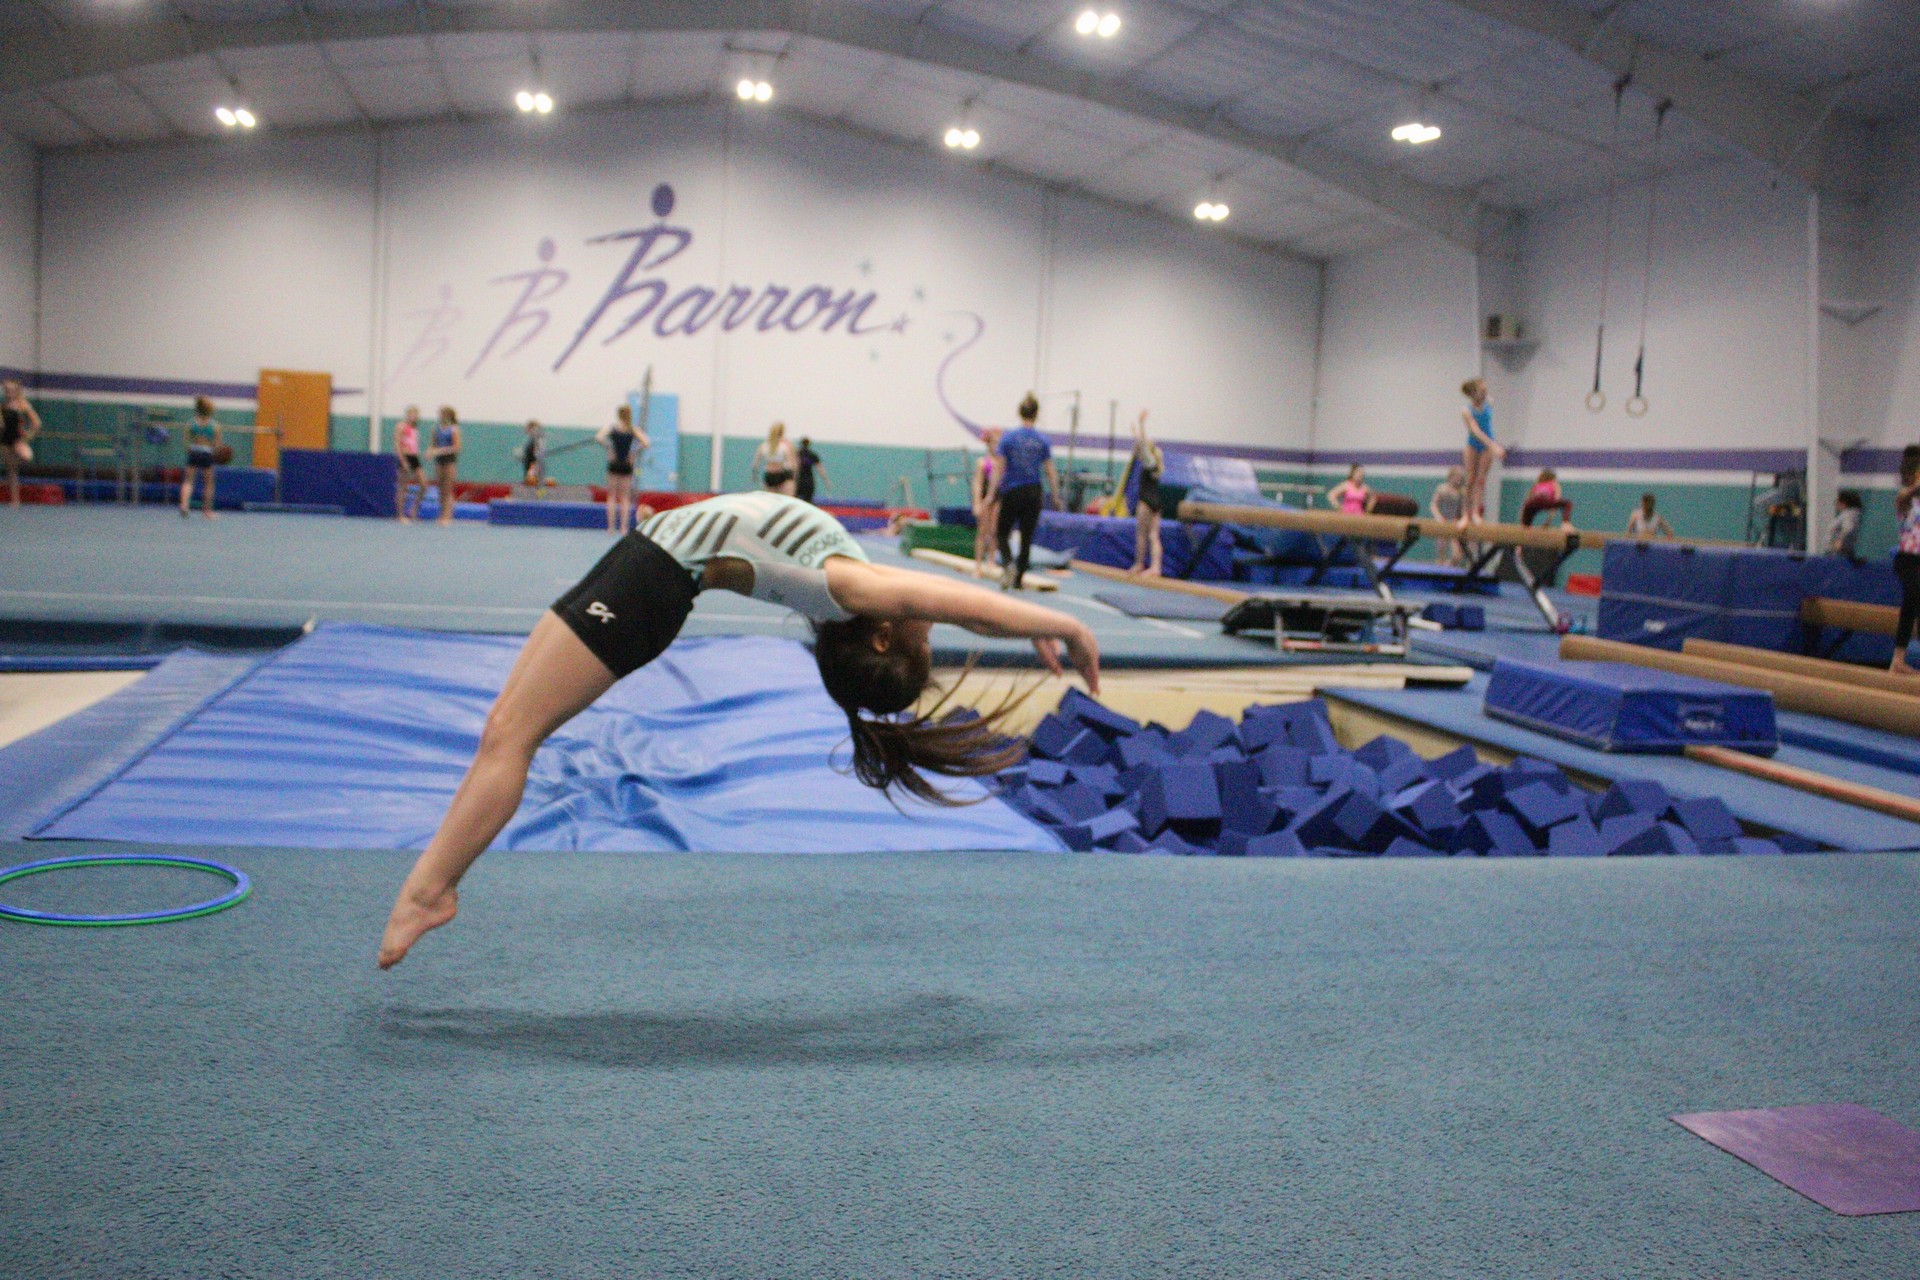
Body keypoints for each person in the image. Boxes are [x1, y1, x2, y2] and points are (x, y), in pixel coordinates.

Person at [375, 489, 1102, 969]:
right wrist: (1053, 624)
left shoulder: (854, 591)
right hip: (644, 568)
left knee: (512, 737)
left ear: (881, 636)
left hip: (651, 582)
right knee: (505, 727)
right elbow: (963, 606)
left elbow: (966, 604)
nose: (929, 623)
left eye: (923, 638)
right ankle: (431, 887)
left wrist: (1063, 622)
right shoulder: (849, 584)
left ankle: (429, 891)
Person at [989, 393, 1061, 591]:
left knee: (1002, 533)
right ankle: (1019, 579)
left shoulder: (1009, 438)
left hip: (1013, 490)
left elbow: (999, 468)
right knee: (1026, 537)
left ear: (1019, 413)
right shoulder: (1042, 440)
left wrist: (991, 494)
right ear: (1036, 414)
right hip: (1033, 491)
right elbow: (1050, 471)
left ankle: (1008, 563)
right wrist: (1055, 494)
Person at [1458, 378, 1504, 528]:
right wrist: (1494, 446)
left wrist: (1492, 446)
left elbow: (1488, 425)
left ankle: (1476, 513)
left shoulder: (1489, 403)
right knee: (1470, 479)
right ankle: (1465, 515)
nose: (1485, 393)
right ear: (1473, 393)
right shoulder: (1466, 411)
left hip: (1487, 447)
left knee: (1481, 480)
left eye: (1485, 390)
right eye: (1482, 391)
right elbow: (1475, 431)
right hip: (1473, 444)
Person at [596, 405, 647, 534]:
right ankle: (623, 528)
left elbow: (599, 437)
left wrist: (609, 448)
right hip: (626, 464)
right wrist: (633, 452)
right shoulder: (632, 429)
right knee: (625, 498)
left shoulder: (613, 428)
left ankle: (611, 527)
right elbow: (646, 442)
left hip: (614, 463)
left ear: (618, 415)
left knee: (611, 496)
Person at [1892, 448, 1920, 676]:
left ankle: (1900, 661)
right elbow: (1905, 496)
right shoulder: (1905, 498)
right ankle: (1898, 659)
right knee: (1913, 597)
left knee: (1913, 605)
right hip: (1908, 560)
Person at [1128, 410, 1165, 577]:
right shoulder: (1157, 466)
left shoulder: (1149, 463)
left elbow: (1142, 446)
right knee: (1154, 535)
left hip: (1145, 501)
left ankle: (1139, 564)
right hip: (1156, 501)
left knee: (1142, 534)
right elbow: (1142, 446)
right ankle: (1156, 567)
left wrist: (1141, 425)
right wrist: (1136, 433)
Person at [179, 394, 221, 519]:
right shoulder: (215, 426)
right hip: (207, 453)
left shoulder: (191, 423)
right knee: (208, 483)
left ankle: (184, 505)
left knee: (188, 481)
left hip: (194, 452)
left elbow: (186, 441)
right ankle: (207, 511)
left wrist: (190, 451)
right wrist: (214, 452)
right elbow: (217, 445)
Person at [3, 378, 41, 508]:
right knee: (11, 471)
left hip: (18, 441)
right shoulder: (3, 406)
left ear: (17, 391)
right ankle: (15, 500)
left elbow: (37, 423)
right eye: (6, 390)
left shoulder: (23, 405)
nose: (8, 393)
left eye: (11, 390)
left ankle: (16, 499)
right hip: (5, 440)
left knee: (24, 459)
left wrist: (26, 438)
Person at [971, 427, 1002, 577]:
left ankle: (991, 562)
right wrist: (977, 503)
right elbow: (977, 483)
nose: (996, 446)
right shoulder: (983, 462)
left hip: (998, 498)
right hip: (985, 499)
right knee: (982, 532)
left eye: (998, 443)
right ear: (988, 444)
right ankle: (978, 564)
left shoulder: (1002, 463)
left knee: (995, 531)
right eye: (993, 443)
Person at [430, 406, 461, 526]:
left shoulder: (454, 429)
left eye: (443, 414)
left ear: (449, 416)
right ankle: (442, 513)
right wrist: (430, 452)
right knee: (440, 489)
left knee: (448, 489)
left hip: (449, 461)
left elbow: (457, 447)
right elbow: (433, 445)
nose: (441, 416)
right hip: (439, 461)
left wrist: (440, 451)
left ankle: (447, 516)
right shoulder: (436, 429)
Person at [393, 405, 425, 523]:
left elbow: (414, 444)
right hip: (405, 456)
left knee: (423, 484)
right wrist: (402, 460)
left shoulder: (415, 428)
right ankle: (400, 514)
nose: (413, 417)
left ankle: (413, 510)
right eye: (411, 414)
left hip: (414, 457)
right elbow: (397, 443)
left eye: (415, 415)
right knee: (403, 486)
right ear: (407, 415)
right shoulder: (401, 426)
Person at [1429, 466, 1465, 565]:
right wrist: (1438, 517)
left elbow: (1463, 509)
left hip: (1454, 522)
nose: (1459, 479)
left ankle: (1449, 566)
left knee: (1457, 555)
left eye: (1460, 477)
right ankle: (1441, 568)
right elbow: (1433, 504)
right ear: (1451, 476)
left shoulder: (1461, 492)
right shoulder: (1442, 489)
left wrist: (1462, 519)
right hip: (1443, 522)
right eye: (1457, 476)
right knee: (1441, 553)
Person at [753, 422, 799, 496]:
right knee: (787, 501)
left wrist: (755, 477)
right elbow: (792, 464)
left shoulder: (764, 445)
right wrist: (794, 475)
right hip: (782, 474)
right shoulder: (786, 445)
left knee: (771, 502)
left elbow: (755, 464)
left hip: (769, 475)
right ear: (783, 432)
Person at [1826, 490, 1863, 561]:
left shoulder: (1850, 515)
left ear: (1844, 503)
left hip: (1839, 553)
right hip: (1836, 552)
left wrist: (1840, 541)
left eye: (1837, 501)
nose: (1835, 504)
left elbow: (1849, 528)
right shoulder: (1847, 515)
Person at [795, 436, 828, 505]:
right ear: (809, 444)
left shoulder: (797, 454)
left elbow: (795, 467)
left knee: (796, 501)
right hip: (809, 480)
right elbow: (820, 469)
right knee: (808, 502)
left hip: (799, 480)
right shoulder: (812, 455)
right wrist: (826, 481)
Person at [520, 420, 545, 487]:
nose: (526, 430)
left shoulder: (536, 441)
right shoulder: (532, 441)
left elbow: (535, 458)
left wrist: (531, 471)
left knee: (531, 482)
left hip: (533, 467)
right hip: (530, 466)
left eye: (527, 428)